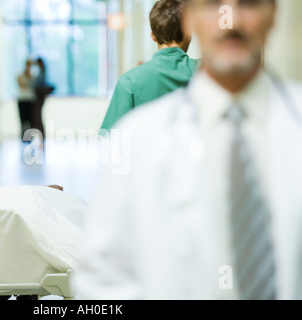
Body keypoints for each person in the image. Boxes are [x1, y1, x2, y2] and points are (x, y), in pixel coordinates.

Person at [75, 0, 302, 299]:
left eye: (248, 3)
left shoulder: (131, 82)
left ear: (274, 13)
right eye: (213, 6)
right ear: (190, 23)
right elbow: (105, 279)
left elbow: (109, 144)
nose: (229, 21)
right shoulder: (141, 133)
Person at [99, 0, 199, 134]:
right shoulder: (209, 74)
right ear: (189, 32)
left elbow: (111, 142)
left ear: (153, 36)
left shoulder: (129, 82)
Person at [17, 59, 36, 139]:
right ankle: (23, 137)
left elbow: (34, 86)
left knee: (31, 120)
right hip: (22, 100)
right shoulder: (20, 76)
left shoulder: (33, 76)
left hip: (30, 101)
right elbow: (21, 85)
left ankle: (30, 136)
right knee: (23, 120)